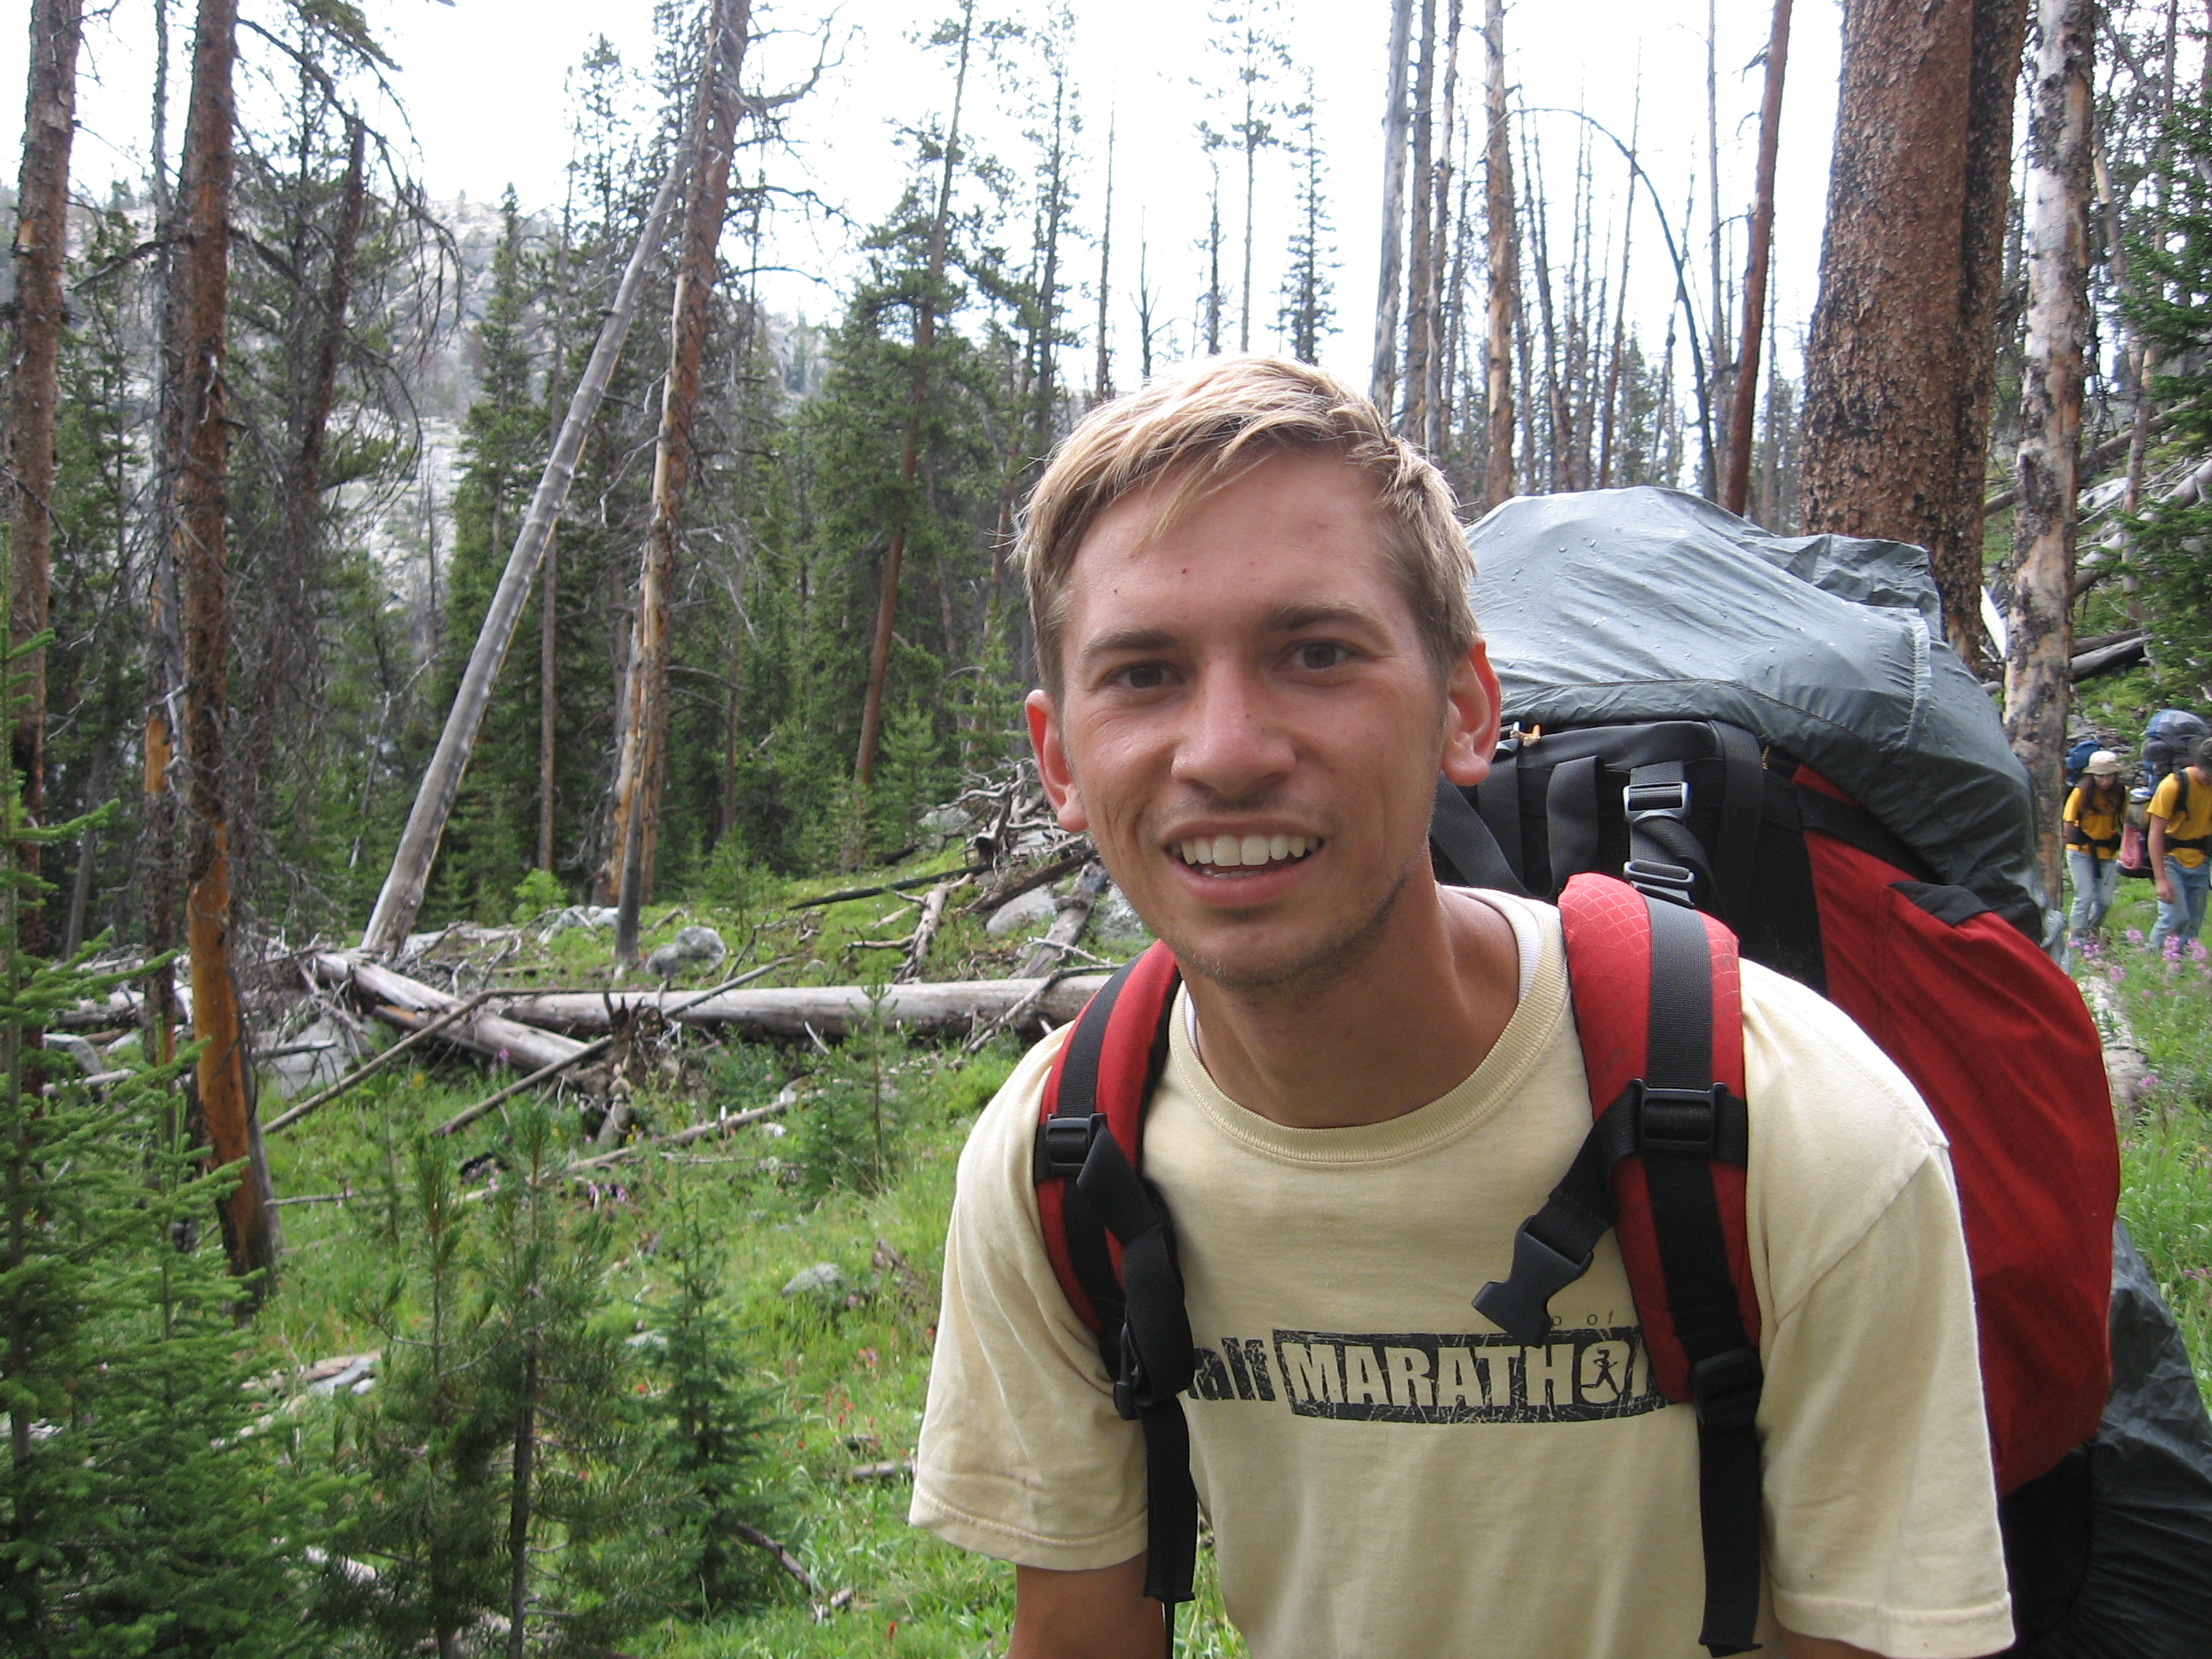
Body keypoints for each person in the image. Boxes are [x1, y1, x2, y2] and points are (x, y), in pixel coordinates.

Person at [911, 357, 2012, 1659]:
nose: (1225, 751)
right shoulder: (1063, 1159)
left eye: (1315, 654)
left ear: (1467, 710)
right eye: (1143, 675)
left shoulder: (1801, 1130)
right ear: (1060, 763)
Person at [2147, 732, 2212, 951]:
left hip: (2200, 860)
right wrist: (2160, 879)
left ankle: (2176, 969)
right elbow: (2155, 833)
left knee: (2193, 923)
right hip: (2171, 859)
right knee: (2175, 918)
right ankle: (2152, 959)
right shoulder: (2173, 786)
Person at [2062, 749, 2127, 946]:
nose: (2105, 781)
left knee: (2105, 900)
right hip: (2080, 849)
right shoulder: (2081, 793)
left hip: (2107, 852)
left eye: (2109, 776)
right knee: (2084, 895)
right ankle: (2076, 938)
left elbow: (2129, 823)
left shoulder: (2122, 794)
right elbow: (2068, 823)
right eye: (2100, 776)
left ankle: (2092, 929)